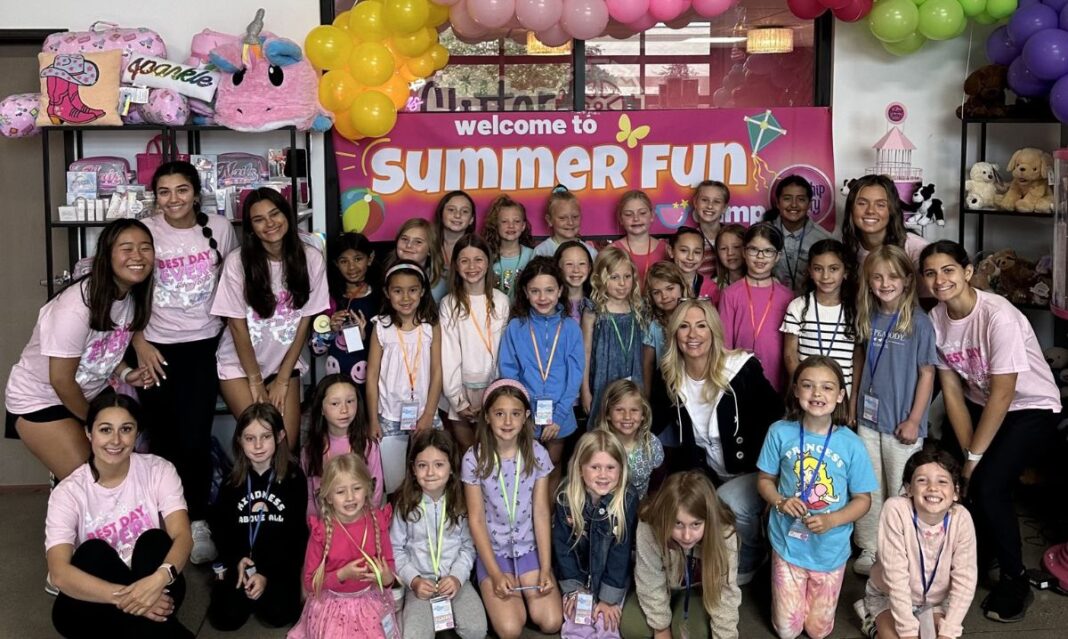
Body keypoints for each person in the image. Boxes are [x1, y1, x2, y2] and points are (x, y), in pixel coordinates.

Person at [920, 240, 1061, 622]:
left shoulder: (998, 315)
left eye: (948, 270)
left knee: (987, 484)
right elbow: (951, 391)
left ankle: (1015, 578)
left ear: (967, 273)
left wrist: (975, 461)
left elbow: (1004, 393)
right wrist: (968, 456)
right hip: (978, 406)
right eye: (931, 273)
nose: (940, 280)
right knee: (963, 477)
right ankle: (984, 556)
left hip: (1030, 406)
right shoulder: (935, 320)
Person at [136, 161, 239, 565]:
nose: (173, 199)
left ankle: (196, 521)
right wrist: (139, 341)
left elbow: (232, 283)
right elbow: (128, 289)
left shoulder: (219, 227)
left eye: (182, 190)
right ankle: (163, 519)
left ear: (196, 192)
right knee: (161, 439)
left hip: (203, 345)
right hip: (157, 347)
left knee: (195, 438)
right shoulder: (145, 230)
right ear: (155, 197)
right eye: (164, 191)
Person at [6, 219, 155, 480]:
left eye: (145, 248)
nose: (138, 256)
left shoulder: (130, 296)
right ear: (107, 255)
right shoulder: (75, 306)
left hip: (90, 394)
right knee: (96, 478)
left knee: (123, 470)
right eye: (127, 248)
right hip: (42, 399)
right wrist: (97, 422)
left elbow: (101, 349)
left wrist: (125, 373)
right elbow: (61, 380)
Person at [654, 298, 784, 585]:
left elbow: (778, 418)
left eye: (701, 326)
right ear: (674, 333)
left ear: (713, 331)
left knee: (727, 503)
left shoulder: (740, 368)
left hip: (754, 471)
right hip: (706, 470)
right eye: (684, 327)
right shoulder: (670, 375)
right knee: (681, 503)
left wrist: (774, 475)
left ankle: (753, 553)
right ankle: (701, 562)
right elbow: (651, 422)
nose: (693, 334)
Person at [45, 392, 193, 639]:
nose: (116, 440)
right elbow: (59, 572)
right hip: (104, 592)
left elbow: (183, 536)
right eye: (105, 430)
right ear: (89, 434)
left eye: (126, 429)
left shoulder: (159, 469)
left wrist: (159, 579)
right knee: (92, 552)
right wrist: (131, 598)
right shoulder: (68, 492)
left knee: (154, 540)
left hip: (156, 583)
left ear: (137, 433)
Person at [756, 357, 877, 639]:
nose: (817, 394)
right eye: (808, 386)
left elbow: (863, 499)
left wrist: (833, 519)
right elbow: (764, 480)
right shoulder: (779, 432)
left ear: (840, 395)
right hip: (788, 545)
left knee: (818, 631)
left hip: (829, 550)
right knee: (787, 631)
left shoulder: (852, 444)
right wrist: (780, 502)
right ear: (796, 391)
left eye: (827, 387)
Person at [212, 188, 329, 448]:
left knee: (284, 446)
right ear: (251, 227)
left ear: (287, 215)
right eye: (259, 219)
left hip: (283, 363)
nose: (270, 223)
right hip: (240, 366)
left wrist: (283, 378)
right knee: (259, 443)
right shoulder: (237, 262)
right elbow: (237, 325)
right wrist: (255, 381)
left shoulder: (311, 258)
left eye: (274, 214)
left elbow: (305, 321)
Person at [852, 245, 938, 576]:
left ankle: (901, 549)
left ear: (906, 280)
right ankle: (870, 547)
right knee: (869, 485)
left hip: (902, 424)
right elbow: (861, 357)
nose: (884, 283)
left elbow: (927, 373)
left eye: (892, 276)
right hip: (868, 420)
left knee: (900, 488)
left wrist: (915, 420)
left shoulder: (919, 322)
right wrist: (854, 398)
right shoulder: (869, 314)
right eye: (876, 277)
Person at [461, 380, 561, 639]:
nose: (507, 421)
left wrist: (546, 567)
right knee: (510, 629)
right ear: (487, 416)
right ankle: (485, 581)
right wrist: (494, 574)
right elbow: (476, 519)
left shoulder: (537, 454)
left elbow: (540, 512)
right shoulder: (474, 458)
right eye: (499, 413)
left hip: (529, 549)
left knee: (551, 622)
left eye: (515, 414)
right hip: (494, 553)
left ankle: (526, 591)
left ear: (526, 417)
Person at [207, 403, 307, 631]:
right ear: (240, 441)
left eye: (265, 436)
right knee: (224, 618)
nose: (258, 445)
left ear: (280, 436)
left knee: (278, 615)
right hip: (243, 562)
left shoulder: (293, 477)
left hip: (278, 565)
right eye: (250, 438)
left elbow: (296, 536)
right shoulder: (232, 482)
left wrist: (267, 575)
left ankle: (264, 589)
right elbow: (223, 531)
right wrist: (236, 561)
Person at [859, 449, 977, 639]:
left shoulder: (961, 518)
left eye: (942, 481)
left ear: (955, 492)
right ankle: (870, 620)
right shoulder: (896, 509)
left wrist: (948, 632)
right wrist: (907, 633)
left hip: (936, 601)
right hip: (889, 594)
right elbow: (895, 576)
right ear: (908, 488)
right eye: (922, 480)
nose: (932, 487)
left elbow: (965, 580)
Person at [389, 429, 487, 639]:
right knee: (414, 635)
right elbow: (395, 549)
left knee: (476, 630)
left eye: (439, 465)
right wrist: (413, 580)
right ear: (413, 468)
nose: (430, 472)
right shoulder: (405, 504)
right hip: (420, 584)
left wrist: (457, 578)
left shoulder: (460, 502)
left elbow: (467, 547)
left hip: (453, 581)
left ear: (452, 467)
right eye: (422, 465)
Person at [498, 256, 584, 494]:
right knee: (526, 468)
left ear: (560, 291)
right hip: (525, 414)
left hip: (560, 414)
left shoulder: (570, 328)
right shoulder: (516, 327)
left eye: (549, 290)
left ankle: (548, 513)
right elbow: (509, 372)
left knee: (554, 465)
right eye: (535, 291)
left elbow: (575, 375)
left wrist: (558, 415)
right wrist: (523, 411)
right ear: (525, 292)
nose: (542, 297)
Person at [619, 471, 740, 639]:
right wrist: (661, 629)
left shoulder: (724, 532)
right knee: (632, 628)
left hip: (698, 591)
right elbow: (649, 580)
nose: (687, 536)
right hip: (658, 586)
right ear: (665, 518)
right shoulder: (649, 524)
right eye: (678, 524)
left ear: (708, 519)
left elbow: (726, 592)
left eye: (696, 524)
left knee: (693, 635)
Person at [289, 453, 397, 639]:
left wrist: (387, 577)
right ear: (329, 497)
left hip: (369, 600)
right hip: (333, 603)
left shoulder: (378, 522)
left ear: (367, 489)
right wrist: (341, 575)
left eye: (356, 488)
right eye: (340, 492)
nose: (349, 497)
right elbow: (309, 581)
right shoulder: (321, 531)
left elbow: (389, 567)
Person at [366, 262, 443, 495]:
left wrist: (429, 413)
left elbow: (437, 370)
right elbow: (371, 375)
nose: (405, 297)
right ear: (387, 293)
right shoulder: (381, 326)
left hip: (425, 413)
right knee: (394, 483)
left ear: (422, 291)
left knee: (433, 476)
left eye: (412, 289)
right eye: (397, 291)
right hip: (389, 414)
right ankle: (398, 524)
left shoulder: (430, 326)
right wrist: (372, 420)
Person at [553, 430, 639, 637]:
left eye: (611, 468)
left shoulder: (626, 498)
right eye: (595, 467)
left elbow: (621, 551)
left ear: (621, 469)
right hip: (577, 579)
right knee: (577, 624)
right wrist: (575, 589)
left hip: (611, 579)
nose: (603, 475)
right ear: (581, 468)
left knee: (606, 623)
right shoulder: (566, 497)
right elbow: (563, 548)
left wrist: (608, 598)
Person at [440, 235, 509, 451]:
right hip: (460, 390)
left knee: (493, 452)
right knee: (467, 453)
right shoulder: (449, 303)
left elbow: (503, 350)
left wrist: (496, 393)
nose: (472, 267)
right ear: (456, 265)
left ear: (488, 263)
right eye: (464, 260)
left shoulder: (501, 300)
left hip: (494, 387)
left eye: (478, 259)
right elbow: (448, 354)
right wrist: (457, 400)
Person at [780, 239, 860, 408]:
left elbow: (858, 359)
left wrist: (852, 403)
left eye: (834, 269)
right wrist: (803, 387)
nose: (825, 276)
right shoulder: (798, 306)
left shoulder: (856, 310)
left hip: (841, 397)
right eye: (818, 269)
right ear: (809, 271)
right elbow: (790, 355)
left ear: (845, 272)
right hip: (806, 397)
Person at [719, 223, 793, 392]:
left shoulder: (788, 297)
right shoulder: (730, 294)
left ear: (778, 256)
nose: (760, 257)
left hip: (777, 379)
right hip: (739, 378)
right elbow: (724, 345)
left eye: (768, 251)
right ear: (744, 252)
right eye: (754, 250)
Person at [303, 374, 384, 515]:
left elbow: (375, 490)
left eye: (350, 401)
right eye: (335, 403)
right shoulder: (310, 449)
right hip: (325, 526)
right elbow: (309, 494)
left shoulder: (368, 446)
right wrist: (315, 525)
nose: (344, 410)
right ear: (321, 408)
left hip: (361, 523)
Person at [842, 174, 932, 300]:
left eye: (880, 205)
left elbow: (932, 302)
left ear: (892, 210)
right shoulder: (848, 248)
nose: (870, 211)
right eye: (862, 203)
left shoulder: (916, 249)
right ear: (851, 209)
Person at [582, 247, 645, 424]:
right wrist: (585, 391)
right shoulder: (594, 311)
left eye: (627, 276)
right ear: (600, 279)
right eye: (614, 277)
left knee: (630, 423)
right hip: (603, 381)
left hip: (633, 378)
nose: (622, 283)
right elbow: (585, 353)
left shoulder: (637, 308)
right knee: (603, 425)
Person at [311, 232, 379, 389]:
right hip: (338, 386)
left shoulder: (381, 298)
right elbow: (316, 349)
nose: (352, 267)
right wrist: (329, 329)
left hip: (373, 385)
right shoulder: (328, 299)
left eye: (358, 259)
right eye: (344, 261)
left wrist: (365, 337)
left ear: (370, 258)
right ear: (335, 263)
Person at [763, 175, 835, 292]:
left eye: (801, 199)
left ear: (809, 203)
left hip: (810, 306)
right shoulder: (763, 234)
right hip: (769, 305)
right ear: (777, 202)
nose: (794, 205)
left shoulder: (824, 239)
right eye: (787, 198)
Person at [595, 379, 663, 499]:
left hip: (640, 508)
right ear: (607, 413)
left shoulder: (652, 444)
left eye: (634, 410)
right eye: (619, 410)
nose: (627, 417)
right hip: (603, 509)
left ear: (643, 414)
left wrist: (650, 507)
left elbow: (657, 483)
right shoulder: (596, 444)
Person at [610, 190, 668, 287]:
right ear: (620, 219)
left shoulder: (666, 250)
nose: (636, 218)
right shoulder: (612, 250)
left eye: (642, 213)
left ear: (652, 215)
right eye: (628, 214)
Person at [483, 194, 535, 301]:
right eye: (504, 221)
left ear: (523, 226)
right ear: (496, 225)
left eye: (516, 221)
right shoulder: (486, 255)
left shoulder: (532, 255)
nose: (511, 226)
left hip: (522, 315)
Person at [388, 218, 447, 302]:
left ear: (430, 250)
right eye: (404, 239)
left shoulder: (444, 283)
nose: (408, 245)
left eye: (418, 242)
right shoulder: (383, 274)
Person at [533, 185, 598, 260]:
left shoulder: (591, 252)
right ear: (549, 220)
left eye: (575, 217)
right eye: (562, 218)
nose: (570, 222)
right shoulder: (541, 252)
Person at [689, 180, 730, 278]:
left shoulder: (734, 237)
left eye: (716, 201)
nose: (710, 206)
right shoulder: (690, 240)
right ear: (695, 202)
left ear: (724, 208)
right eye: (704, 200)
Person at [668, 226, 720, 303]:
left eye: (697, 252)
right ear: (671, 251)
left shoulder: (711, 288)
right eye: (684, 250)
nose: (690, 257)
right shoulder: (662, 284)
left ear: (703, 257)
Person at [433, 190, 476, 277]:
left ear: (471, 219)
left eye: (464, 211)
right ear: (441, 214)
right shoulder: (427, 245)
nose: (457, 215)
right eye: (451, 210)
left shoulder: (478, 250)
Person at [555, 239, 594, 326]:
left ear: (590, 268)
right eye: (569, 264)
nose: (576, 270)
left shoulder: (596, 302)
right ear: (557, 267)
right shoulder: (551, 303)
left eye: (582, 263)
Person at [714, 223, 746, 290]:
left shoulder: (761, 283)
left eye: (736, 247)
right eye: (723, 248)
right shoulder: (714, 285)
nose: (730, 253)